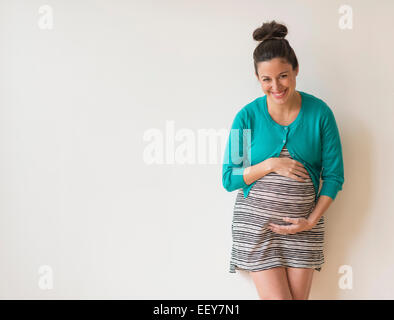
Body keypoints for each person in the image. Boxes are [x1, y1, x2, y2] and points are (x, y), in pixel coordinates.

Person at [221, 20, 345, 300]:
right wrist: (271, 164)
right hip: (257, 228)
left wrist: (311, 221)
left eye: (283, 76)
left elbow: (335, 176)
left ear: (296, 69)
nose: (276, 86)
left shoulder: (320, 113)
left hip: (303, 228)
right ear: (258, 78)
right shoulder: (247, 117)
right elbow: (229, 178)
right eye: (266, 79)